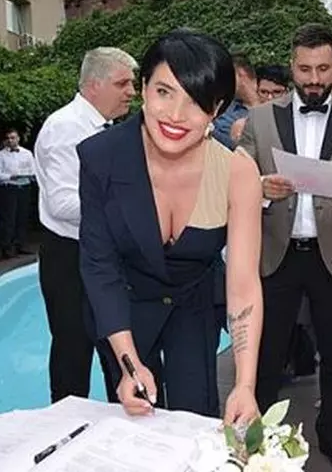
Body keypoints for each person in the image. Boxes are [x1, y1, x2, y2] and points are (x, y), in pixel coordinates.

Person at [78, 29, 263, 426]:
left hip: (194, 305)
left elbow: (244, 284)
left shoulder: (237, 171)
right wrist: (129, 363)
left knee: (195, 417)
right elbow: (100, 267)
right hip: (124, 307)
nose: (176, 115)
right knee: (134, 419)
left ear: (216, 109)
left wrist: (245, 384)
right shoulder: (100, 158)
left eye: (196, 101)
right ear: (144, 89)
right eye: (164, 92)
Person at [240, 23, 332, 472]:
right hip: (276, 255)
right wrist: (261, 188)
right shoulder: (260, 120)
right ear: (292, 66)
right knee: (267, 356)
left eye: (323, 69)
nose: (314, 79)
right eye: (305, 69)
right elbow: (236, 180)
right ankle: (257, 440)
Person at [34, 47, 138, 404]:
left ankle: (123, 425)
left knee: (117, 351)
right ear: (95, 84)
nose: (132, 92)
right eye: (123, 84)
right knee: (73, 354)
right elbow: (62, 205)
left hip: (101, 252)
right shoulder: (66, 128)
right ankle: (66, 429)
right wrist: (129, 210)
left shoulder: (106, 128)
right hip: (70, 258)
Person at [0, 129, 36, 259]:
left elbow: (33, 169)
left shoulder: (27, 153)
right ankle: (7, 247)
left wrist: (28, 174)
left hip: (24, 186)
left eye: (13, 138)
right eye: (8, 138)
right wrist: (10, 176)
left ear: (18, 138)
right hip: (9, 188)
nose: (10, 140)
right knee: (8, 219)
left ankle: (20, 245)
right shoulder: (0, 155)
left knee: (22, 217)